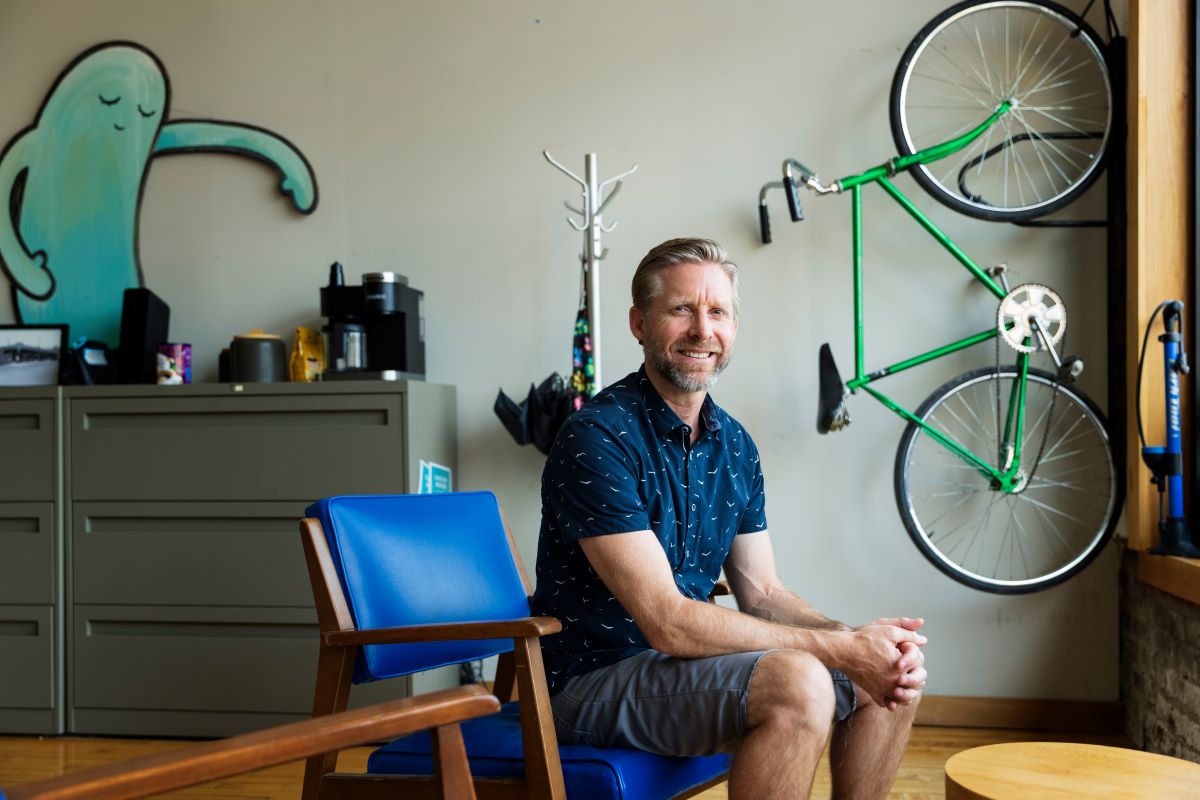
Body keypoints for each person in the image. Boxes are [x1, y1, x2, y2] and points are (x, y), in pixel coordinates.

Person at [530, 237, 927, 800]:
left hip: (678, 671)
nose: (701, 329)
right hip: (588, 679)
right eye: (680, 309)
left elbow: (763, 591)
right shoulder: (597, 438)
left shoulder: (734, 445)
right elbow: (666, 621)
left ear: (733, 329)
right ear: (639, 324)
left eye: (717, 311)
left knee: (894, 671)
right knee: (801, 683)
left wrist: (858, 641)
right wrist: (839, 651)